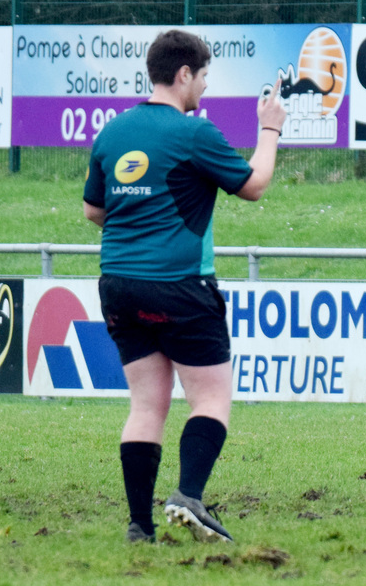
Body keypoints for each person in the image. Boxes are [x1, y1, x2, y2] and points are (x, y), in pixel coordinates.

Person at [84, 29, 286, 544]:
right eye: (204, 76)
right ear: (183, 74)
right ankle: (188, 496)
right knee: (211, 398)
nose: (206, 86)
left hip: (119, 286)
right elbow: (254, 185)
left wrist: (138, 220)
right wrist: (269, 129)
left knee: (146, 405)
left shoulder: (112, 132)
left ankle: (139, 525)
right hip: (179, 287)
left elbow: (93, 210)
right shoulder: (195, 133)